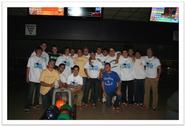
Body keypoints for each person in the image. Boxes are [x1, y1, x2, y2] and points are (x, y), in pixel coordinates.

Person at [25, 47, 46, 112]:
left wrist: (44, 79)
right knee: (30, 93)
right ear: (36, 51)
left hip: (40, 80)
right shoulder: (31, 58)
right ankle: (27, 105)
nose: (39, 52)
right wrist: (27, 77)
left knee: (37, 94)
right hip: (32, 79)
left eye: (40, 51)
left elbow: (44, 70)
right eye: (38, 51)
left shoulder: (43, 60)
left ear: (42, 52)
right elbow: (28, 68)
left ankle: (35, 104)